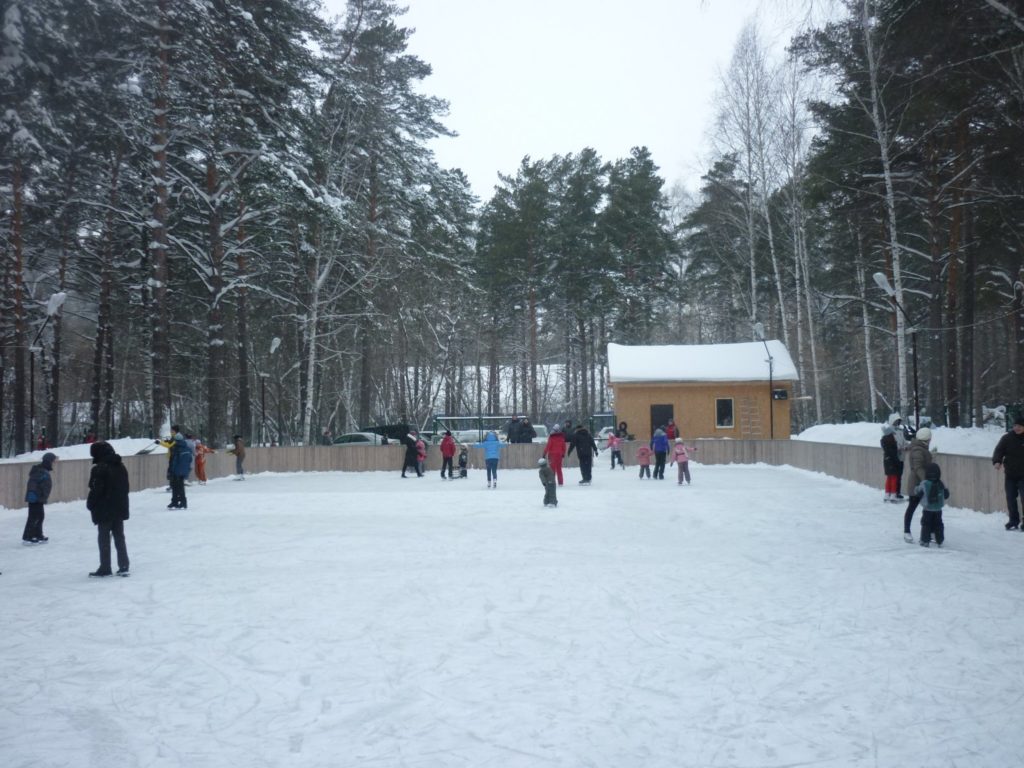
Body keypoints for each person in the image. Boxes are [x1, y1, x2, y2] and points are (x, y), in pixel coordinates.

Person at [86, 442, 130, 577]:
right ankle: (123, 565)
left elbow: (96, 489)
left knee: (104, 538)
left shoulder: (100, 469)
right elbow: (125, 488)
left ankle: (105, 567)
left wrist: (91, 503)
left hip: (104, 508)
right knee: (119, 537)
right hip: (118, 507)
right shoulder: (121, 467)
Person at [993, 414, 1024, 530]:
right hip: (1010, 474)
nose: (1017, 428)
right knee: (1010, 498)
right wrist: (997, 461)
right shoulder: (1007, 438)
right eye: (1015, 425)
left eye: (1020, 426)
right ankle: (1013, 520)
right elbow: (999, 450)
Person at [902, 427, 933, 542]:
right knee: (912, 507)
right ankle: (907, 531)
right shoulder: (918, 450)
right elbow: (918, 467)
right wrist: (926, 481)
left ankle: (931, 531)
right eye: (929, 439)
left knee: (929, 509)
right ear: (926, 439)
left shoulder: (921, 448)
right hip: (917, 484)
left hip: (923, 483)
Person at [23, 452, 57, 544]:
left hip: (39, 498)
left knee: (40, 516)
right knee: (34, 517)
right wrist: (33, 496)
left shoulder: (43, 470)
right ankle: (28, 536)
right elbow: (32, 483)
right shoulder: (39, 470)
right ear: (48, 461)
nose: (54, 463)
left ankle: (38, 534)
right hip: (35, 498)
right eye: (53, 461)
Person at [915, 462, 949, 547]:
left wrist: (916, 488)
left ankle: (925, 540)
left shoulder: (924, 483)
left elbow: (918, 492)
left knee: (926, 524)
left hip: (927, 509)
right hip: (938, 509)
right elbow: (946, 495)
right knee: (938, 524)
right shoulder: (941, 483)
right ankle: (939, 539)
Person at [168, 432, 193, 509]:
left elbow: (174, 461)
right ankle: (181, 502)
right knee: (180, 487)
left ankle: (177, 502)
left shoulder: (177, 449)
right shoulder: (187, 448)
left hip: (176, 471)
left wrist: (171, 471)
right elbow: (190, 460)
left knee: (176, 487)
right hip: (184, 471)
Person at [880, 424, 902, 502]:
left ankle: (887, 494)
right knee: (894, 478)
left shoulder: (884, 441)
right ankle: (893, 495)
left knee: (889, 478)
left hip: (886, 461)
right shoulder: (891, 442)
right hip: (892, 462)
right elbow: (894, 454)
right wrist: (898, 462)